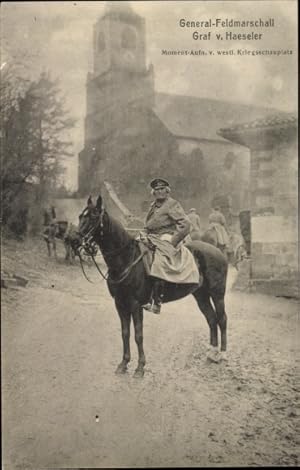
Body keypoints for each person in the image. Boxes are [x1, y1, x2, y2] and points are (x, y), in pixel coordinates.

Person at [140, 178, 200, 314]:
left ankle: (157, 302)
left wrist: (173, 240)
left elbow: (185, 224)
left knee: (159, 262)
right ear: (153, 192)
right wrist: (144, 232)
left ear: (167, 191)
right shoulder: (153, 206)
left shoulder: (172, 204)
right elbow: (149, 225)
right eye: (156, 190)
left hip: (167, 238)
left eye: (162, 189)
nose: (159, 192)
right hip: (152, 237)